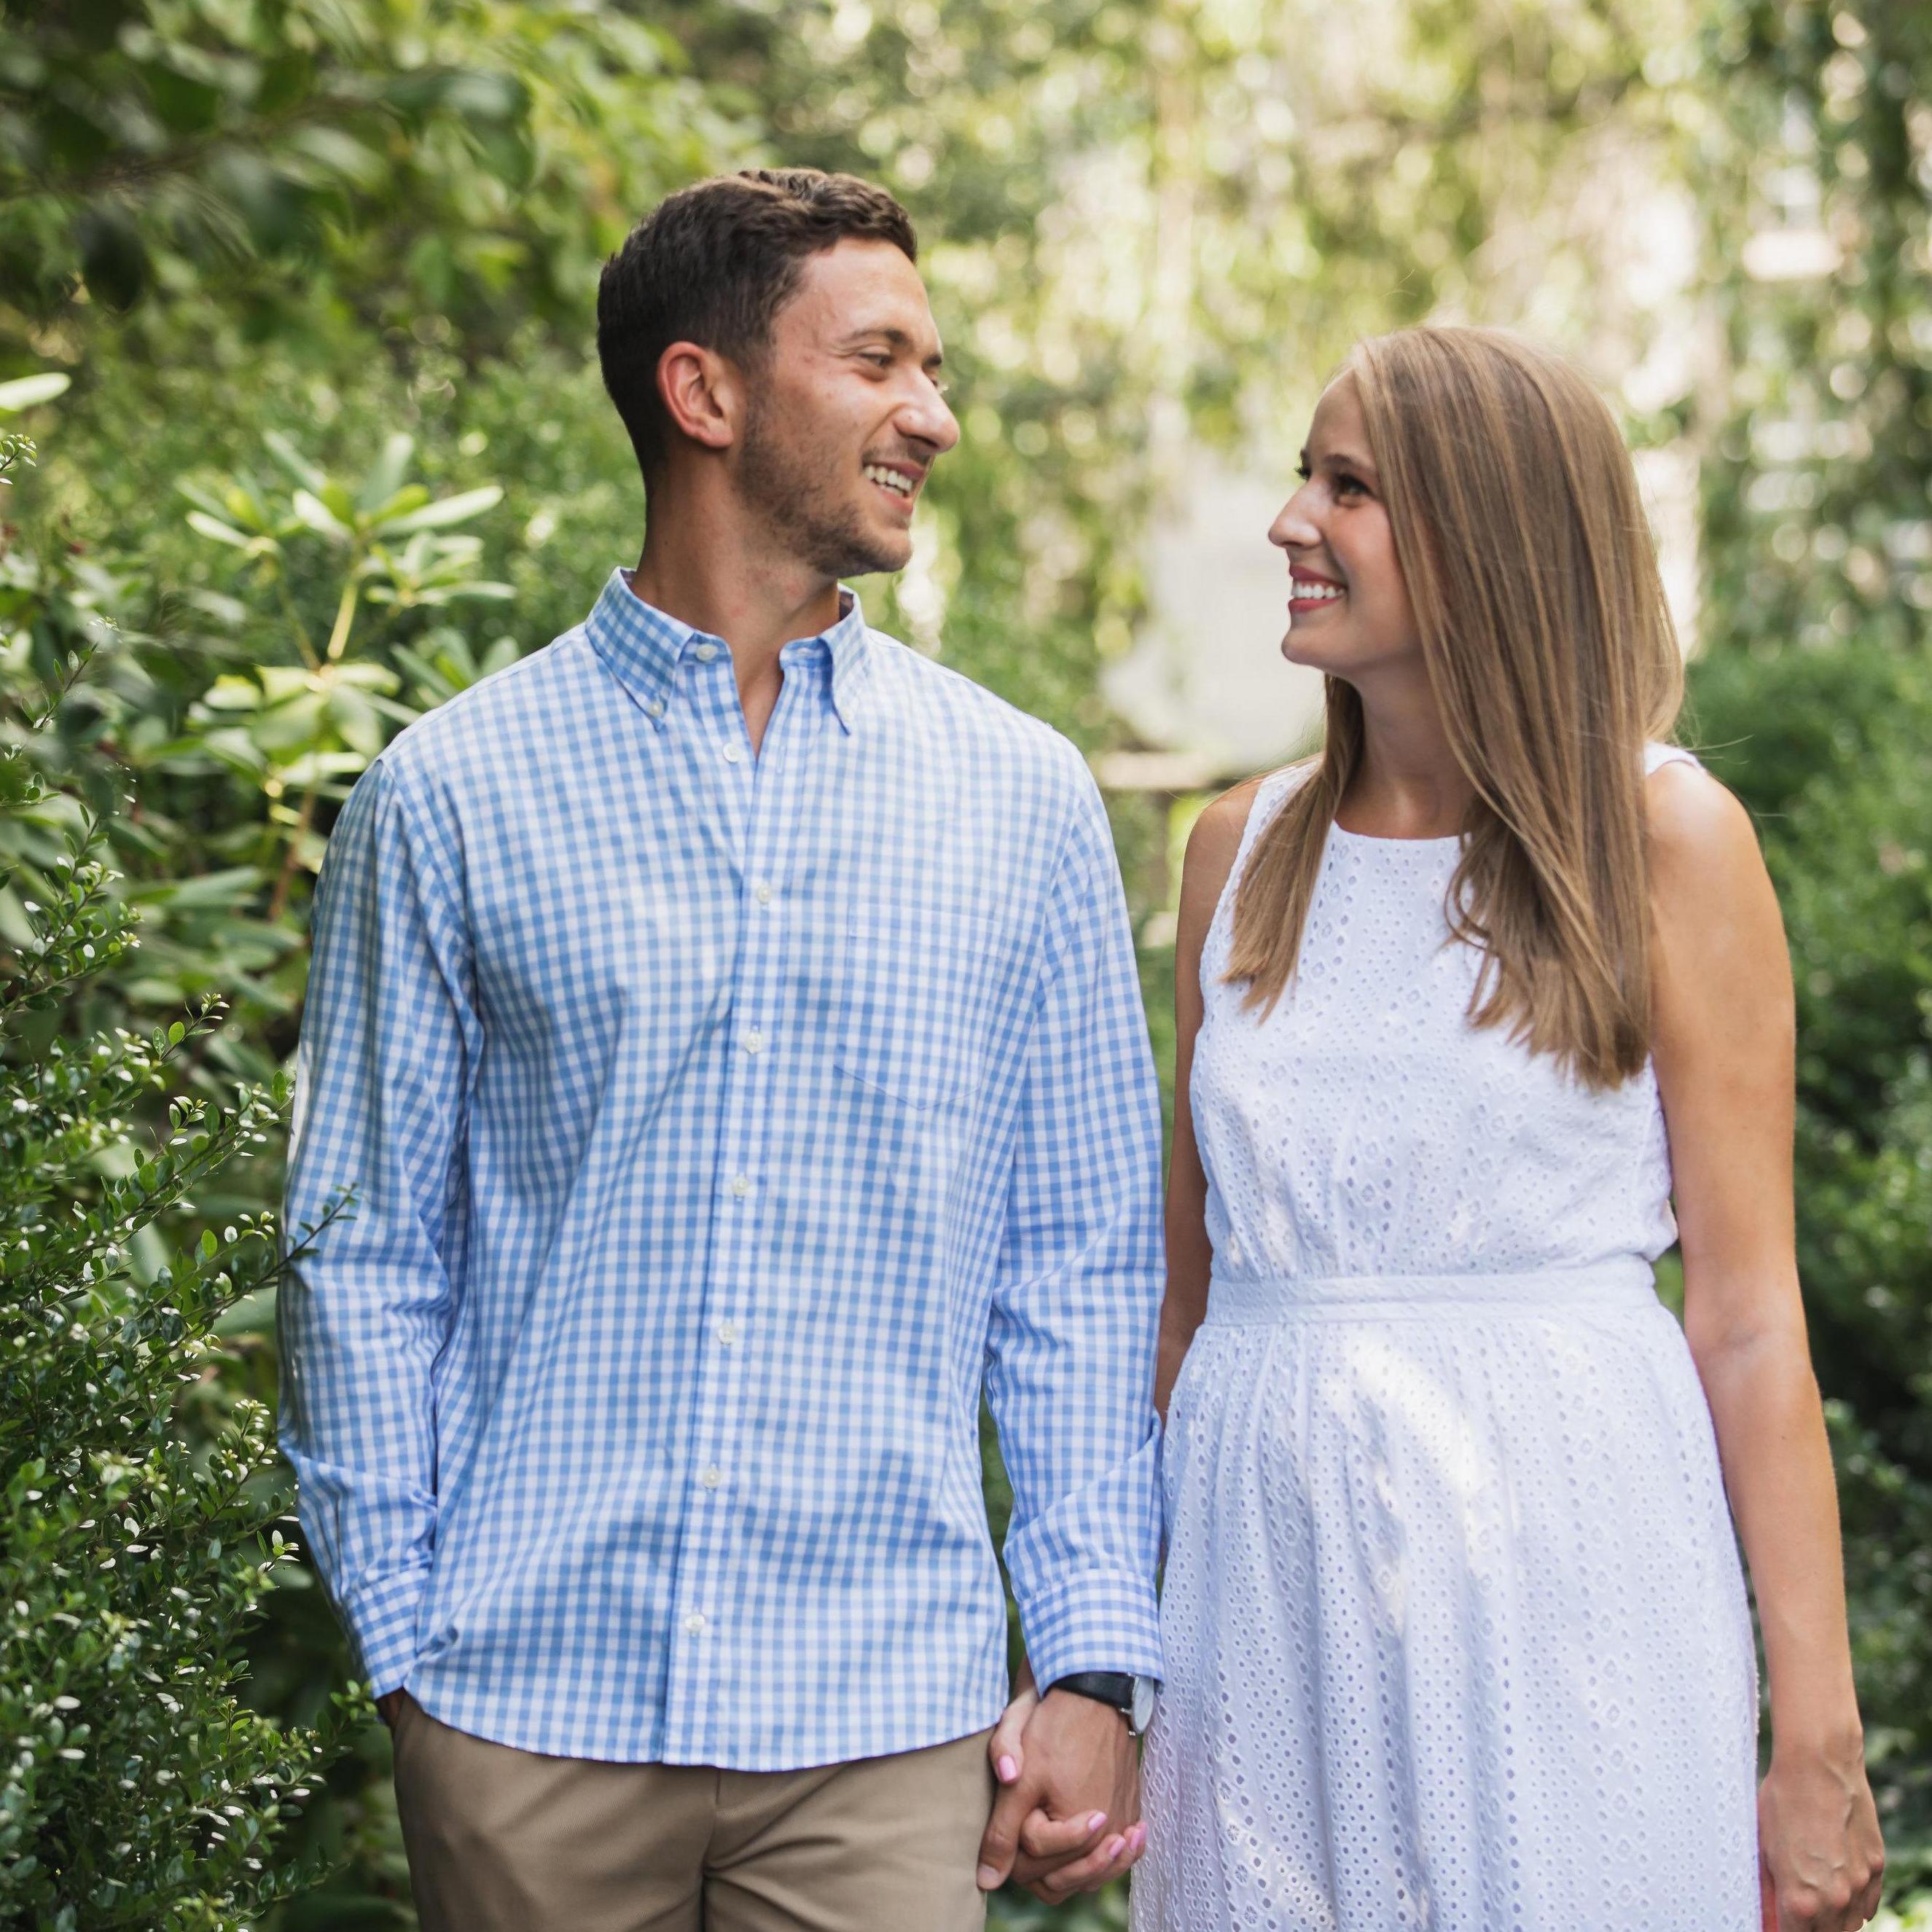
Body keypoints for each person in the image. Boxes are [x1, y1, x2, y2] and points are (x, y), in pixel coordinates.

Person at [278, 167, 1162, 1932]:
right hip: (525, 1716)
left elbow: (1080, 1269)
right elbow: (362, 1248)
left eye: (935, 366)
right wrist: (410, 1652)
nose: (940, 415)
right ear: (707, 394)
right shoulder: (448, 798)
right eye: (883, 362)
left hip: (889, 1738)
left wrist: (1094, 1664)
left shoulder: (1024, 802)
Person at [1116, 325, 1882, 1930]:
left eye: (1352, 488)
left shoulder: (1667, 838)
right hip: (1260, 1596)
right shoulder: (1233, 853)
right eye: (1302, 477)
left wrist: (1816, 1747)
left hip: (1573, 1580)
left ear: (1493, 539)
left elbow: (1747, 1323)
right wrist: (1107, 1672)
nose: (1291, 522)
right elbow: (1177, 1319)